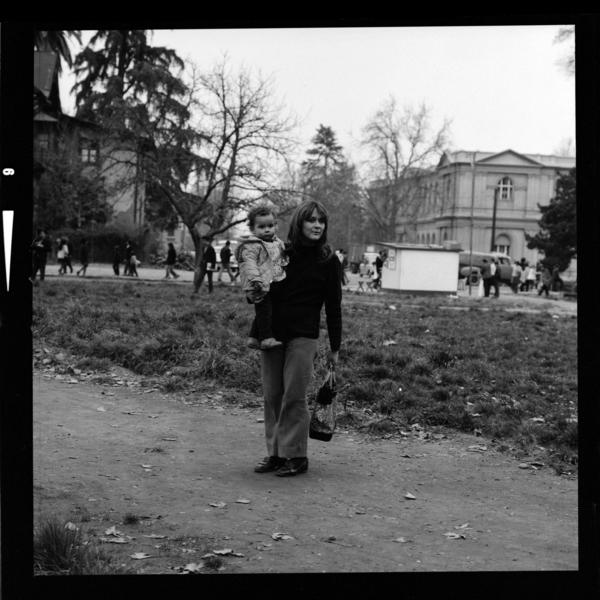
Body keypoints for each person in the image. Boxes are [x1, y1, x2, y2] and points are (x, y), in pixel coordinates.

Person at [253, 200, 342, 477]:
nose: (317, 225)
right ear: (299, 223)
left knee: (293, 396)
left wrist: (335, 347)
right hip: (273, 334)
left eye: (321, 221)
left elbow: (334, 307)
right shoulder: (282, 253)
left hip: (304, 336)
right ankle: (276, 454)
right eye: (311, 220)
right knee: (272, 395)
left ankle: (296, 455)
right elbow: (266, 292)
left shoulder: (329, 260)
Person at [235, 205, 288, 351]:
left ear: (275, 225)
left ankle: (253, 337)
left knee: (266, 310)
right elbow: (249, 264)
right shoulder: (252, 245)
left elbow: (281, 258)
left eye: (270, 226)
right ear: (253, 229)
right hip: (259, 283)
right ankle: (266, 338)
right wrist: (255, 280)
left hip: (274, 282)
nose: (267, 230)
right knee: (264, 311)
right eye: (262, 227)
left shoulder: (277, 242)